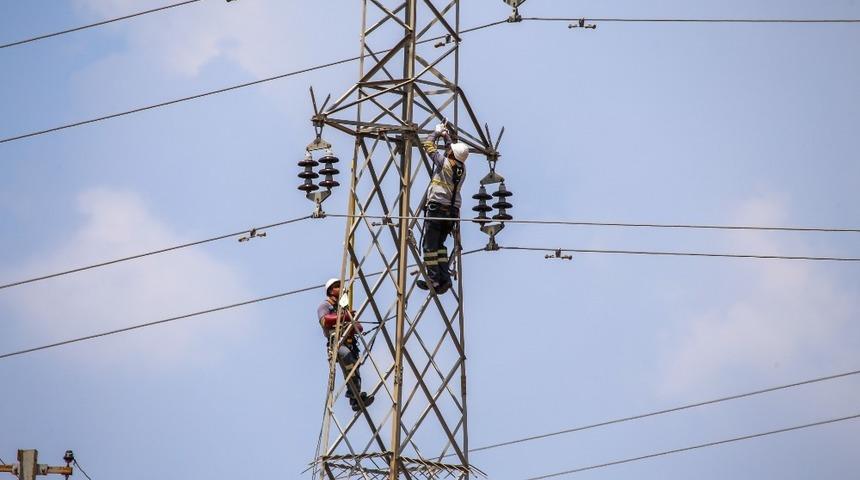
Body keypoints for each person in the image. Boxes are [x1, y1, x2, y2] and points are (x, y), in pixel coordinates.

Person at [416, 123, 470, 294]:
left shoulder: (444, 163)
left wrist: (436, 132)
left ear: (452, 153)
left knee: (429, 247)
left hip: (437, 209)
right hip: (452, 212)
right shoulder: (462, 168)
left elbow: (428, 145)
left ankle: (434, 279)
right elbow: (451, 150)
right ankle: (444, 279)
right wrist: (446, 135)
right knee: (439, 246)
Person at [318, 278, 374, 412]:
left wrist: (352, 321)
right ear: (331, 290)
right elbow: (325, 321)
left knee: (355, 368)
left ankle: (355, 399)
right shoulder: (325, 306)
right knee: (348, 360)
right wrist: (345, 317)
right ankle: (353, 394)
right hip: (337, 344)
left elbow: (359, 328)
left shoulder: (342, 308)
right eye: (338, 287)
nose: (341, 289)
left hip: (349, 344)